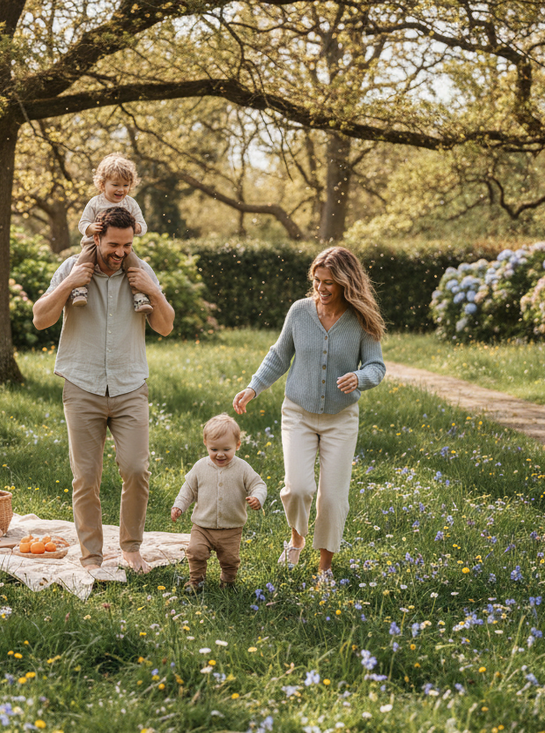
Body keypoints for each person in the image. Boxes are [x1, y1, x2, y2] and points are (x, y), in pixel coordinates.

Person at [32, 206, 175, 574]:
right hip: (83, 385)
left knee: (136, 469)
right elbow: (40, 318)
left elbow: (165, 326)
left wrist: (153, 292)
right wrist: (68, 284)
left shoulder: (140, 272)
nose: (120, 252)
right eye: (113, 244)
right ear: (96, 237)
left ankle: (130, 548)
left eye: (127, 245)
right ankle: (91, 556)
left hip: (129, 386)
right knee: (86, 476)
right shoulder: (73, 269)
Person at [232, 246, 386, 583]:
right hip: (298, 413)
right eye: (317, 280)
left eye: (329, 282)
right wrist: (253, 387)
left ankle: (325, 568)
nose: (322, 288)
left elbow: (377, 366)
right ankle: (296, 539)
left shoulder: (361, 320)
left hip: (341, 419)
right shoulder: (300, 312)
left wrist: (360, 377)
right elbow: (279, 355)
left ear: (347, 282)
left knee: (332, 498)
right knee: (298, 488)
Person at [170, 414, 267, 593]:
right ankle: (196, 581)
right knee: (195, 551)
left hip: (231, 528)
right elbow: (188, 490)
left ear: (237, 445)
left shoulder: (242, 468)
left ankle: (228, 582)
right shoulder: (200, 467)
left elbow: (258, 485)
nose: (220, 454)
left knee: (230, 559)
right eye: (214, 449)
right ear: (206, 443)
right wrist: (179, 506)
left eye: (226, 449)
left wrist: (257, 498)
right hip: (202, 526)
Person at [71, 153, 152, 313]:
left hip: (121, 246)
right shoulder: (95, 203)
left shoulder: (130, 203)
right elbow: (82, 224)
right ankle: (79, 289)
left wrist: (137, 228)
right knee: (84, 261)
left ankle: (139, 296)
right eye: (115, 185)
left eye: (126, 185)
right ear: (102, 184)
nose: (121, 189)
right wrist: (91, 228)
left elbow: (143, 225)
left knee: (134, 265)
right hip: (93, 244)